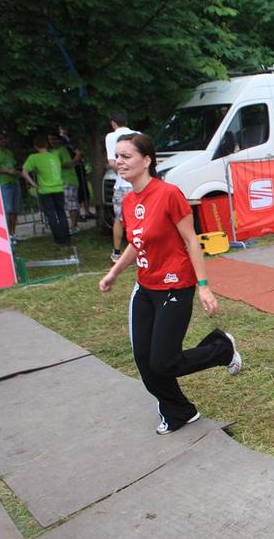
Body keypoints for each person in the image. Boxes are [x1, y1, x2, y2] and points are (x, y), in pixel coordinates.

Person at [98, 133, 242, 434]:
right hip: (145, 288)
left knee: (163, 362)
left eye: (126, 156)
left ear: (146, 160)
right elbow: (137, 243)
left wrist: (203, 285)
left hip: (175, 285)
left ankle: (222, 349)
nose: (119, 162)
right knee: (144, 361)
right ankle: (180, 412)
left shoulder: (168, 194)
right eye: (117, 156)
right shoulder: (129, 201)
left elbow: (191, 240)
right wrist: (115, 272)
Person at [22, 135, 71, 245]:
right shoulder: (54, 156)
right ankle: (66, 238)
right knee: (61, 213)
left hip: (45, 190)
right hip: (58, 188)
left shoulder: (34, 157)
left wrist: (34, 185)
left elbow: (24, 172)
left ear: (35, 146)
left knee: (51, 214)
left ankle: (59, 239)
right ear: (46, 145)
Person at [105, 112, 137, 262]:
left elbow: (112, 162)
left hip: (122, 185)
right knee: (141, 216)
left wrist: (122, 172)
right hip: (138, 183)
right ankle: (143, 249)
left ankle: (117, 252)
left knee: (119, 218)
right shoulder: (138, 135)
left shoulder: (111, 137)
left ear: (113, 123)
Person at [48, 134, 82, 234]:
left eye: (54, 139)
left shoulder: (62, 150)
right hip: (59, 181)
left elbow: (69, 163)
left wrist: (56, 164)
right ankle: (71, 226)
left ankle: (74, 227)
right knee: (67, 204)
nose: (52, 141)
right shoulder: (51, 152)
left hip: (68, 180)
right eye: (50, 139)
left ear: (59, 140)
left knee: (72, 204)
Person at [59, 125, 93, 220]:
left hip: (78, 166)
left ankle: (86, 211)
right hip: (72, 167)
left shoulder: (70, 137)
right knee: (75, 192)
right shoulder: (62, 140)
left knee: (83, 189)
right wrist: (76, 157)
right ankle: (78, 214)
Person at [0, 130, 22, 244]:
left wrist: (16, 172)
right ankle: (6, 235)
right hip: (4, 183)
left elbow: (13, 166)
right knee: (8, 210)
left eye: (4, 138)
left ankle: (12, 234)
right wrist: (7, 170)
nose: (3, 141)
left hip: (14, 182)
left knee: (15, 210)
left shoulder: (9, 152)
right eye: (0, 138)